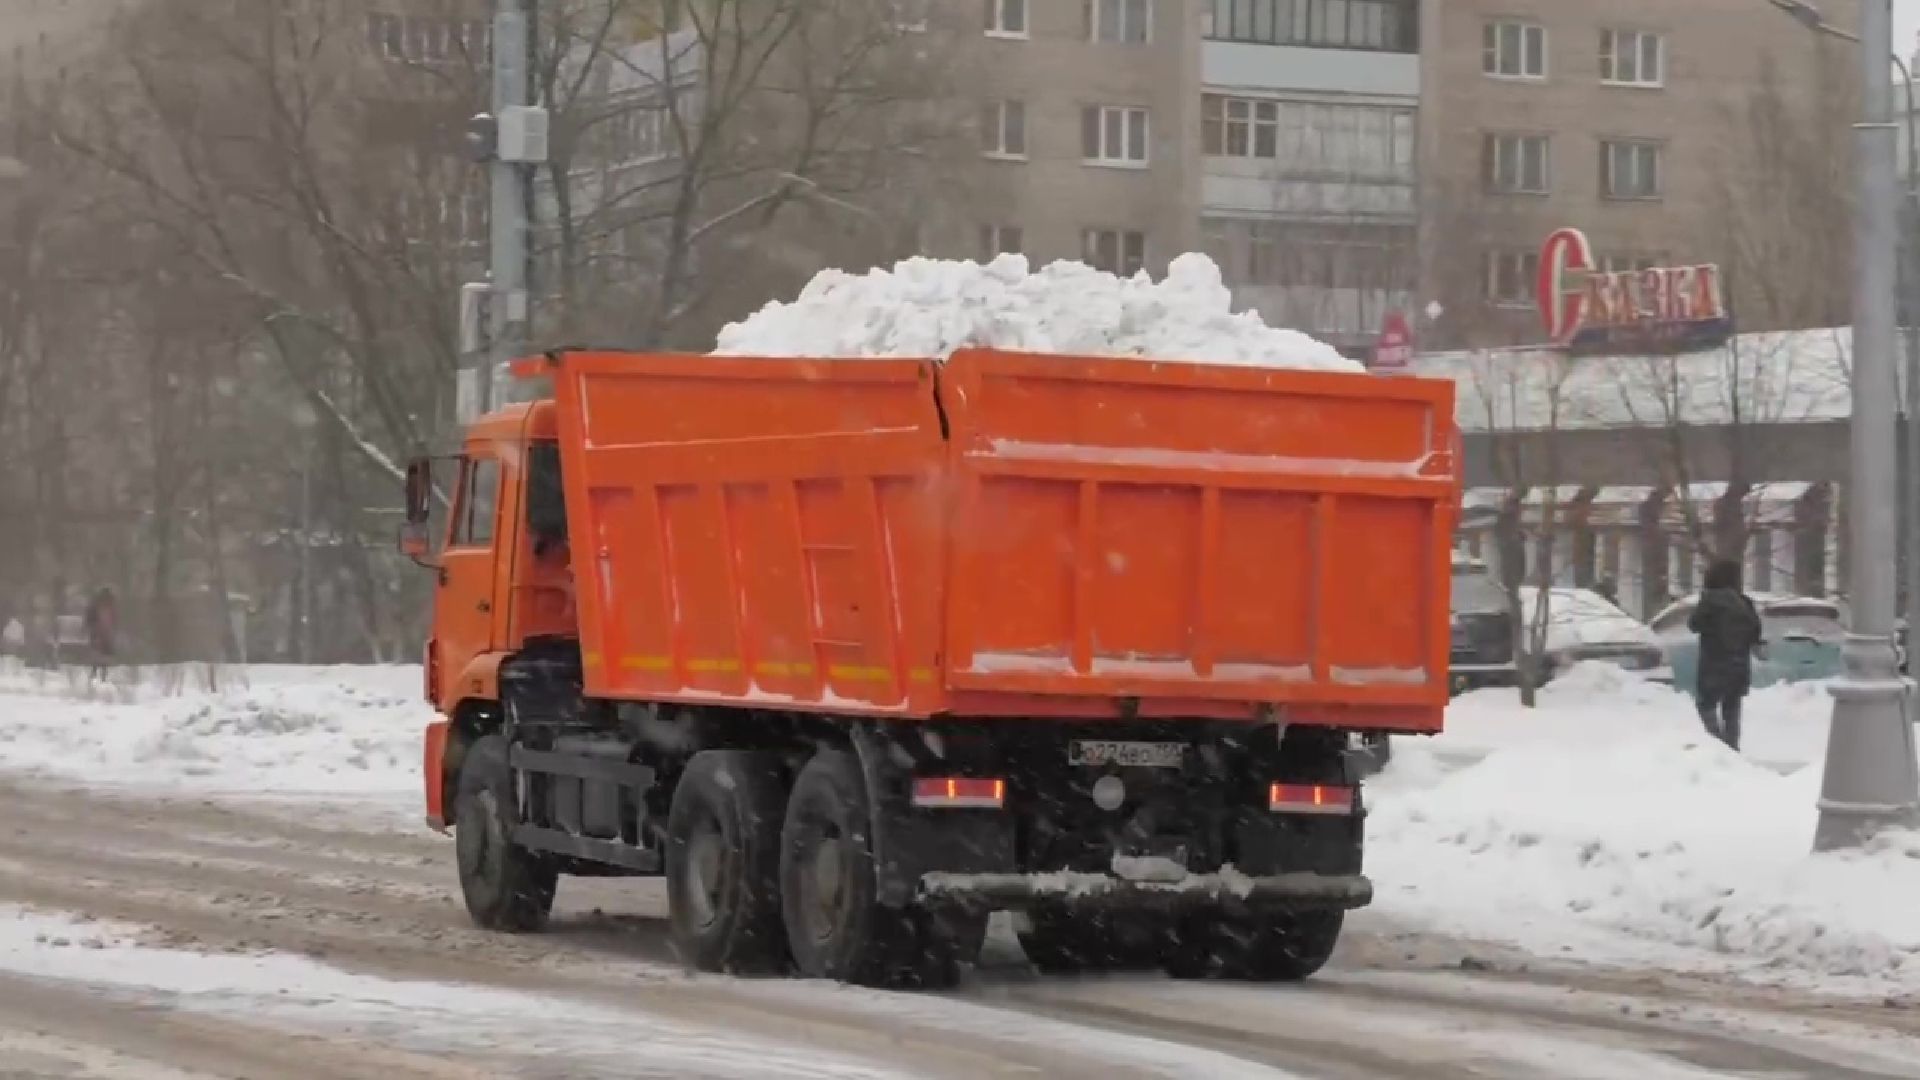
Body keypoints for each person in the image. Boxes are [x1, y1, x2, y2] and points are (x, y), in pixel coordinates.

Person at [1688, 559, 1763, 751]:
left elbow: (1694, 625)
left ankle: (1717, 746)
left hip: (1713, 664)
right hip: (1739, 664)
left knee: (1706, 705)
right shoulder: (1745, 602)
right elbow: (1755, 633)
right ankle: (1732, 748)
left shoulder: (1709, 600)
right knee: (1732, 708)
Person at [82, 587, 117, 683]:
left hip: (104, 632)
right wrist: (93, 628)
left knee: (102, 653)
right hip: (99, 632)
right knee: (99, 653)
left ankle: (101, 673)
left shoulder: (108, 606)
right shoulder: (96, 606)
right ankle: (96, 673)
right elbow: (89, 619)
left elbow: (113, 619)